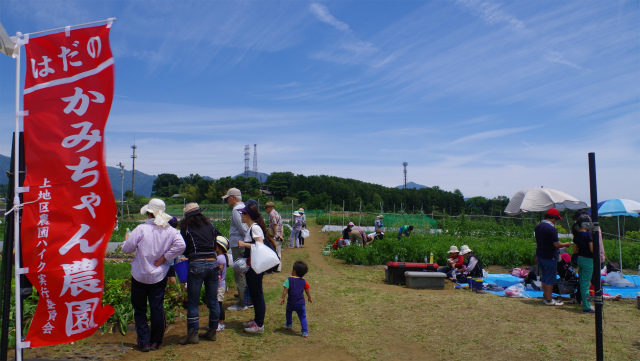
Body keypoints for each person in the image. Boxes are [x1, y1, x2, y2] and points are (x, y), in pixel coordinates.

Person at [122, 199, 185, 352]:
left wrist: (127, 241)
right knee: (157, 308)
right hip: (158, 275)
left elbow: (126, 249)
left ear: (149, 213)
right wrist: (166, 257)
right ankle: (156, 341)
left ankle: (143, 342)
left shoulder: (141, 229)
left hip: (140, 274)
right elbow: (181, 245)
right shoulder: (170, 230)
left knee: (140, 309)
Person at [179, 203, 222, 344]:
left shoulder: (186, 228)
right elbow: (220, 239)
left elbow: (183, 246)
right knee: (213, 301)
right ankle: (212, 332)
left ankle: (193, 335)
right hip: (212, 262)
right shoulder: (210, 226)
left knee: (193, 302)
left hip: (196, 263)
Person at [237, 200, 268, 333]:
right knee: (254, 293)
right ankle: (256, 320)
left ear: (247, 215)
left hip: (255, 266)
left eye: (242, 214)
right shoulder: (251, 228)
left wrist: (244, 245)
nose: (241, 216)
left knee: (257, 294)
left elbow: (260, 245)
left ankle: (259, 324)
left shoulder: (255, 228)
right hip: (252, 265)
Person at [535, 208, 572, 306]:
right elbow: (556, 244)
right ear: (553, 218)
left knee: (544, 276)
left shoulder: (538, 226)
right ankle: (549, 299)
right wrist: (566, 244)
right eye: (556, 219)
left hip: (540, 254)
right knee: (550, 278)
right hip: (549, 256)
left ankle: (545, 296)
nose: (556, 221)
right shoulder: (551, 229)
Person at [223, 188, 249, 311]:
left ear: (233, 197)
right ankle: (248, 299)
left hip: (239, 244)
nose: (227, 201)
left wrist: (245, 241)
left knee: (239, 272)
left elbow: (242, 227)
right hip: (243, 244)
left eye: (228, 198)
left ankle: (242, 302)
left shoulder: (236, 209)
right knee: (246, 271)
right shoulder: (244, 207)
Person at [280, 261, 313, 338]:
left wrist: (282, 298)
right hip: (301, 304)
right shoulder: (304, 281)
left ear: (294, 271)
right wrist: (309, 298)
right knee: (302, 317)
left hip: (291, 303)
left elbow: (285, 289)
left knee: (288, 312)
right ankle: (304, 332)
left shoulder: (289, 280)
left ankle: (289, 324)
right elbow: (307, 290)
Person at [572, 213, 595, 313]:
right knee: (586, 284)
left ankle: (583, 301)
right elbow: (592, 249)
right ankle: (586, 307)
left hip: (579, 259)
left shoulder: (576, 235)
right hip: (588, 260)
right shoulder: (589, 234)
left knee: (582, 282)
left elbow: (575, 251)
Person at [215, 236, 230, 331]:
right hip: (220, 285)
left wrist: (217, 284)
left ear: (219, 247)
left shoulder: (220, 258)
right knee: (218, 304)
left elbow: (219, 273)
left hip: (219, 285)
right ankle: (219, 323)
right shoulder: (222, 257)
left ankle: (221, 323)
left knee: (218, 304)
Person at [266, 202, 284, 271]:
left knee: (273, 251)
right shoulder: (278, 214)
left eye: (266, 208)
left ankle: (273, 267)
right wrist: (281, 235)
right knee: (278, 251)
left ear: (270, 208)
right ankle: (278, 268)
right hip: (279, 236)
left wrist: (275, 234)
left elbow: (274, 224)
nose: (266, 210)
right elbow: (281, 225)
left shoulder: (272, 214)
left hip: (273, 236)